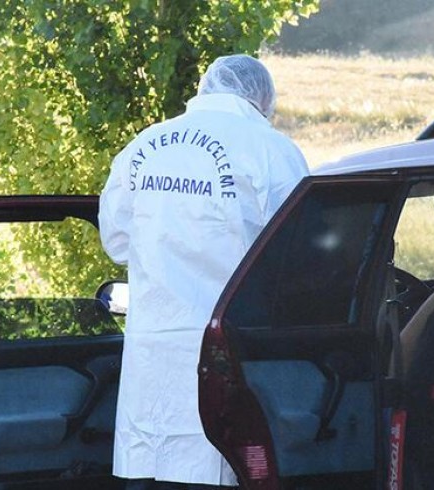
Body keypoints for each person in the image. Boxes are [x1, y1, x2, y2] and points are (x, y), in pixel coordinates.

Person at [98, 54, 309, 489]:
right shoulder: (271, 150)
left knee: (153, 465)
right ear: (262, 100)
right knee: (214, 462)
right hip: (227, 349)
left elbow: (116, 241)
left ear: (207, 87)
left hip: (153, 352)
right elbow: (298, 255)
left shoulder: (145, 145)